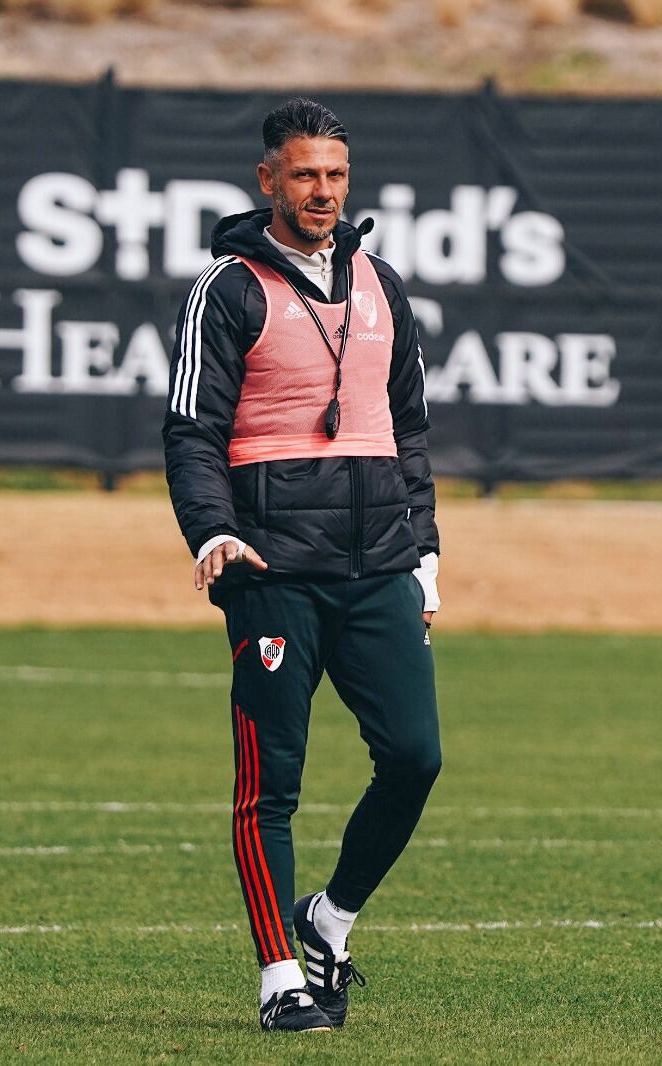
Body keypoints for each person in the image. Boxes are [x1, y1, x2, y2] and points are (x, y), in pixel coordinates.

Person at [162, 97, 442, 1035]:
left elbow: (409, 429)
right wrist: (211, 531)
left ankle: (330, 919)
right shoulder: (226, 288)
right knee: (268, 788)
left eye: (335, 175)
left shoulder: (382, 284)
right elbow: (191, 429)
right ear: (268, 180)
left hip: (381, 566)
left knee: (415, 757)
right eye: (305, 174)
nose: (323, 191)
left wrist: (426, 551)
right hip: (272, 570)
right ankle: (280, 978)